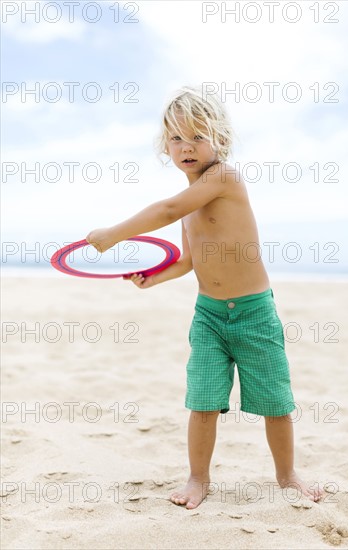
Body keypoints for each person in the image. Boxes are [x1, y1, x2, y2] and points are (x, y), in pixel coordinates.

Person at [86, 86, 323, 509]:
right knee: (203, 401)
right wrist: (154, 278)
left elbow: (165, 211)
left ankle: (287, 476)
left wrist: (111, 235)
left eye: (198, 136)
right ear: (166, 148)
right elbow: (190, 260)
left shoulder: (223, 178)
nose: (187, 147)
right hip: (209, 316)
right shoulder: (191, 197)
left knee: (274, 402)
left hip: (254, 313)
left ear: (221, 140)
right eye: (176, 139)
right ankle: (198, 479)